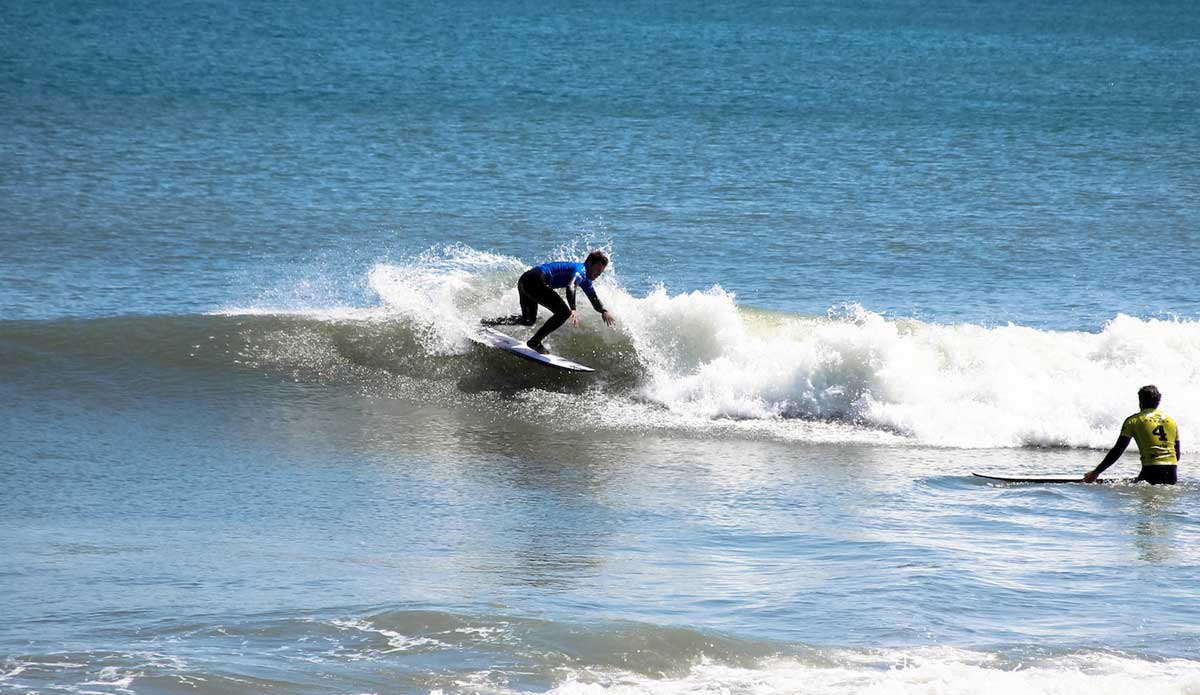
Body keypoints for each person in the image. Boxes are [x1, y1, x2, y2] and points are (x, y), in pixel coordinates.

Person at [482, 250, 616, 354]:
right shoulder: (580, 270)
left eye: (601, 272)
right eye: (597, 269)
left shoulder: (586, 281)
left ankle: (489, 322)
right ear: (589, 263)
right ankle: (535, 342)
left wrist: (603, 311)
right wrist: (573, 309)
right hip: (535, 280)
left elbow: (594, 299)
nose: (598, 274)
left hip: (525, 280)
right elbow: (571, 286)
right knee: (564, 312)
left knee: (528, 320)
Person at [1084, 385, 1181, 485]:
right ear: (1158, 401)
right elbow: (1177, 455)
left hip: (1150, 471)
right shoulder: (1171, 421)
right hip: (1172, 473)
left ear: (1140, 401)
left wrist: (1096, 472)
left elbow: (1118, 450)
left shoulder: (1133, 421)